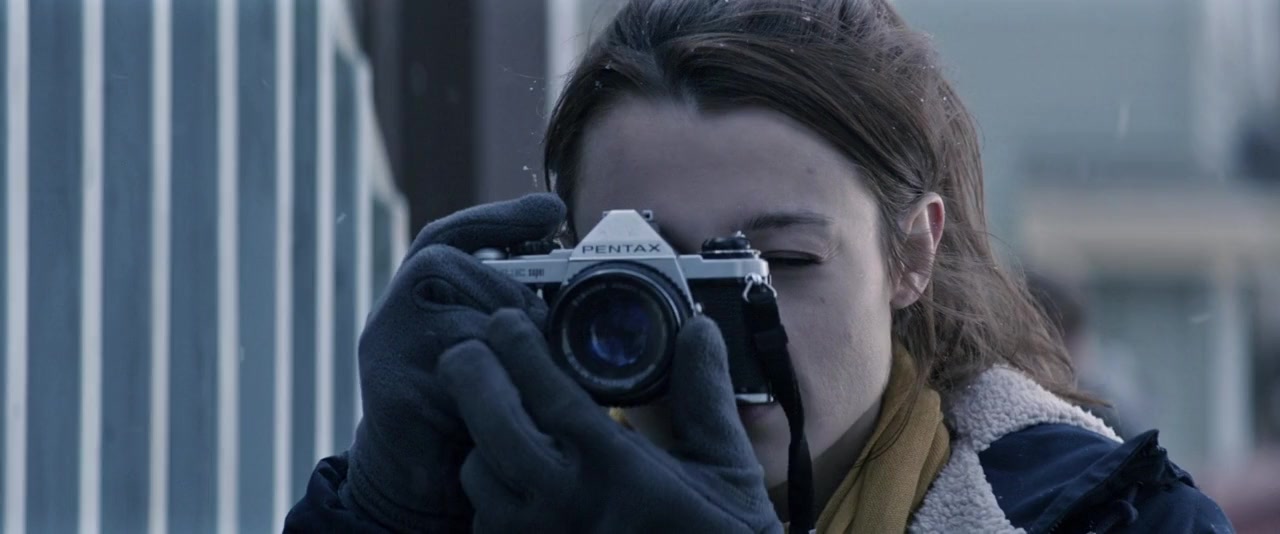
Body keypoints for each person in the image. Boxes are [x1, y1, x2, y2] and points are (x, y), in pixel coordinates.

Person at [286, 0, 1233, 532]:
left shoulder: (1116, 523)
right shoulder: (493, 495)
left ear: (911, 252)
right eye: (650, 273)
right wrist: (381, 512)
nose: (712, 337)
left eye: (778, 261)